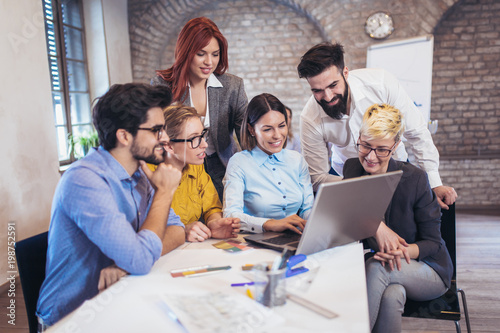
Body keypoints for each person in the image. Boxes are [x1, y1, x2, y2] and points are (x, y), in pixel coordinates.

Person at [36, 84, 185, 327]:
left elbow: (177, 231)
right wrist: (164, 193)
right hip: (72, 317)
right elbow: (138, 260)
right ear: (124, 136)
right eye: (156, 130)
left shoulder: (139, 173)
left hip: (119, 298)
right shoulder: (84, 179)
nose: (165, 139)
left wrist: (125, 264)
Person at [297, 42, 457, 209]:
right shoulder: (310, 118)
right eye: (317, 90)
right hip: (346, 176)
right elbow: (317, 177)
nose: (328, 96)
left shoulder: (381, 84)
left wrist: (434, 183)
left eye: (333, 85)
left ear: (345, 73)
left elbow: (416, 133)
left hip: (395, 167)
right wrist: (362, 186)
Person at [343, 103, 453, 332]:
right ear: (360, 138)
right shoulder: (352, 169)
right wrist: (376, 226)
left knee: (377, 267)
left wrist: (402, 252)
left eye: (381, 149)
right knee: (393, 295)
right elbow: (349, 217)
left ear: (395, 147)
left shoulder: (415, 179)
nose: (371, 156)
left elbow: (433, 244)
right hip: (392, 271)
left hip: (429, 268)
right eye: (365, 145)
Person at [152, 17, 248, 201]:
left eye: (215, 54)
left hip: (222, 166)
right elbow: (156, 135)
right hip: (181, 167)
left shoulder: (232, 86)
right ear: (186, 52)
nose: (209, 62)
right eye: (201, 54)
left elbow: (246, 134)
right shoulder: (162, 86)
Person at [223, 93, 314, 234]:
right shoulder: (239, 162)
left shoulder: (297, 160)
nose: (277, 135)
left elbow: (308, 208)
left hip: (297, 236)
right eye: (267, 129)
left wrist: (314, 221)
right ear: (251, 129)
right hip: (256, 240)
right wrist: (268, 224)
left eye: (282, 126)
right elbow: (231, 215)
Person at [154, 104, 241, 242]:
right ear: (169, 146)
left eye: (202, 135)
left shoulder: (196, 167)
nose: (204, 145)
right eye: (194, 139)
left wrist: (214, 222)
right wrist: (182, 231)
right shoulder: (148, 178)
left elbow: (211, 207)